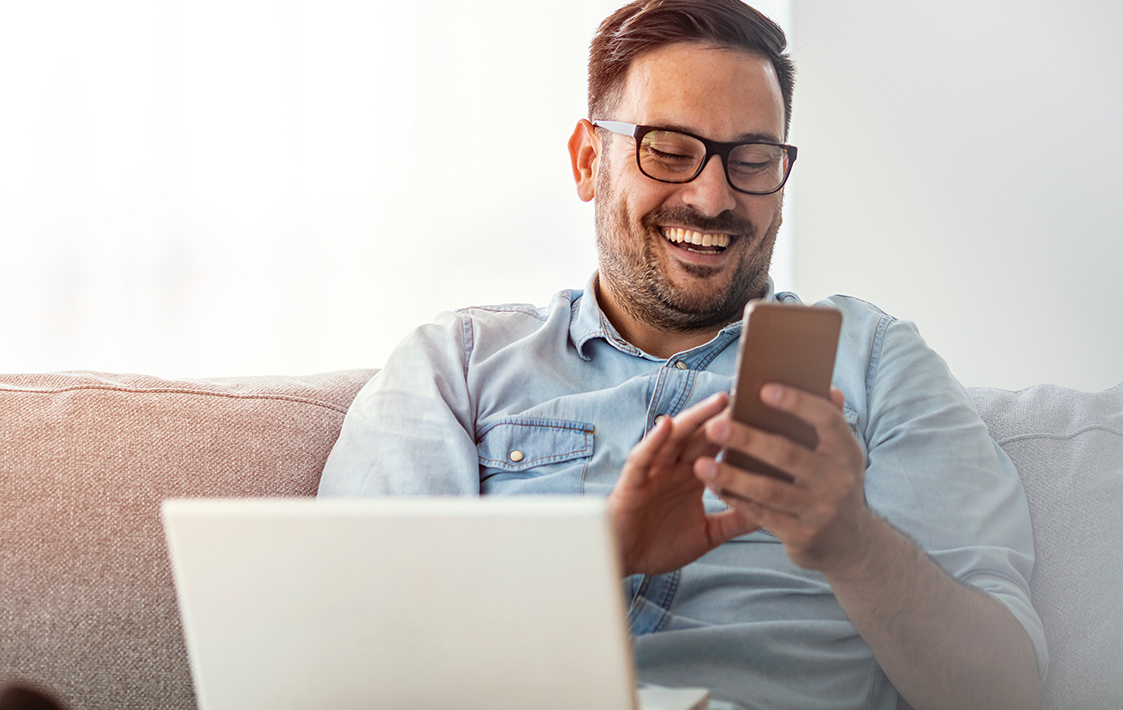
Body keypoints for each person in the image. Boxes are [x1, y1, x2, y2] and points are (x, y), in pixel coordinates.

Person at [317, 1, 1047, 708]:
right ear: (586, 162)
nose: (711, 197)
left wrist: (852, 544)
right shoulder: (457, 367)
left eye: (753, 160)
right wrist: (600, 561)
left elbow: (1009, 694)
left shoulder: (881, 365)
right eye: (668, 150)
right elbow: (347, 658)